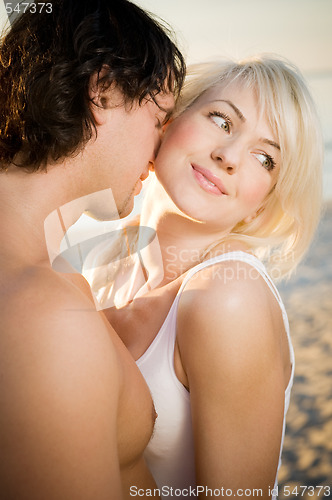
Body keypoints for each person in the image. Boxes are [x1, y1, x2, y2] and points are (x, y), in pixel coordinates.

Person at [84, 55, 323, 498]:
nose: (229, 157)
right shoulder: (105, 263)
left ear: (263, 205)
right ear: (169, 120)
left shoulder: (230, 297)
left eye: (265, 158)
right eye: (222, 120)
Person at [0, 0, 185, 498]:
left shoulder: (42, 276)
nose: (164, 147)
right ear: (101, 89)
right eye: (159, 118)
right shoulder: (41, 312)